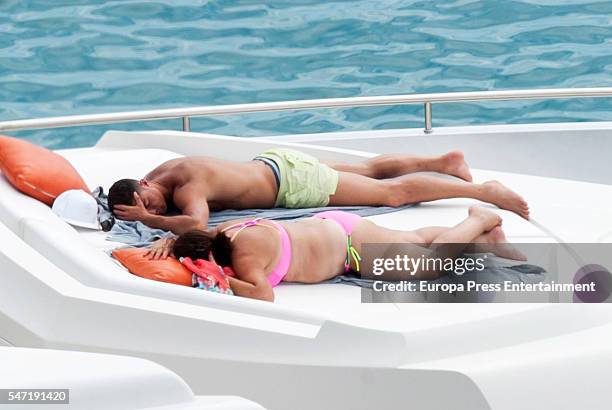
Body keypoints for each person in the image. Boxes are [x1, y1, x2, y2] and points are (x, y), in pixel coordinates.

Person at [108, 148, 529, 234]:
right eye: (145, 207)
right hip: (275, 164)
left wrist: (149, 220)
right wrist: (135, 209)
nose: (153, 206)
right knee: (367, 170)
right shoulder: (160, 171)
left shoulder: (185, 187)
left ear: (145, 186)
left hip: (294, 183)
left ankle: (485, 191)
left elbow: (196, 225)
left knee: (392, 194)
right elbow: (125, 196)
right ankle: (444, 164)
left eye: (148, 200)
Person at [153, 205, 526, 302]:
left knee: (426, 265)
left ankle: (479, 219)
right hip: (339, 226)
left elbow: (262, 294)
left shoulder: (245, 256)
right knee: (414, 238)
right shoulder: (225, 231)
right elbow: (191, 234)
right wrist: (168, 244)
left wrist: (221, 279)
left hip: (350, 249)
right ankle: (487, 240)